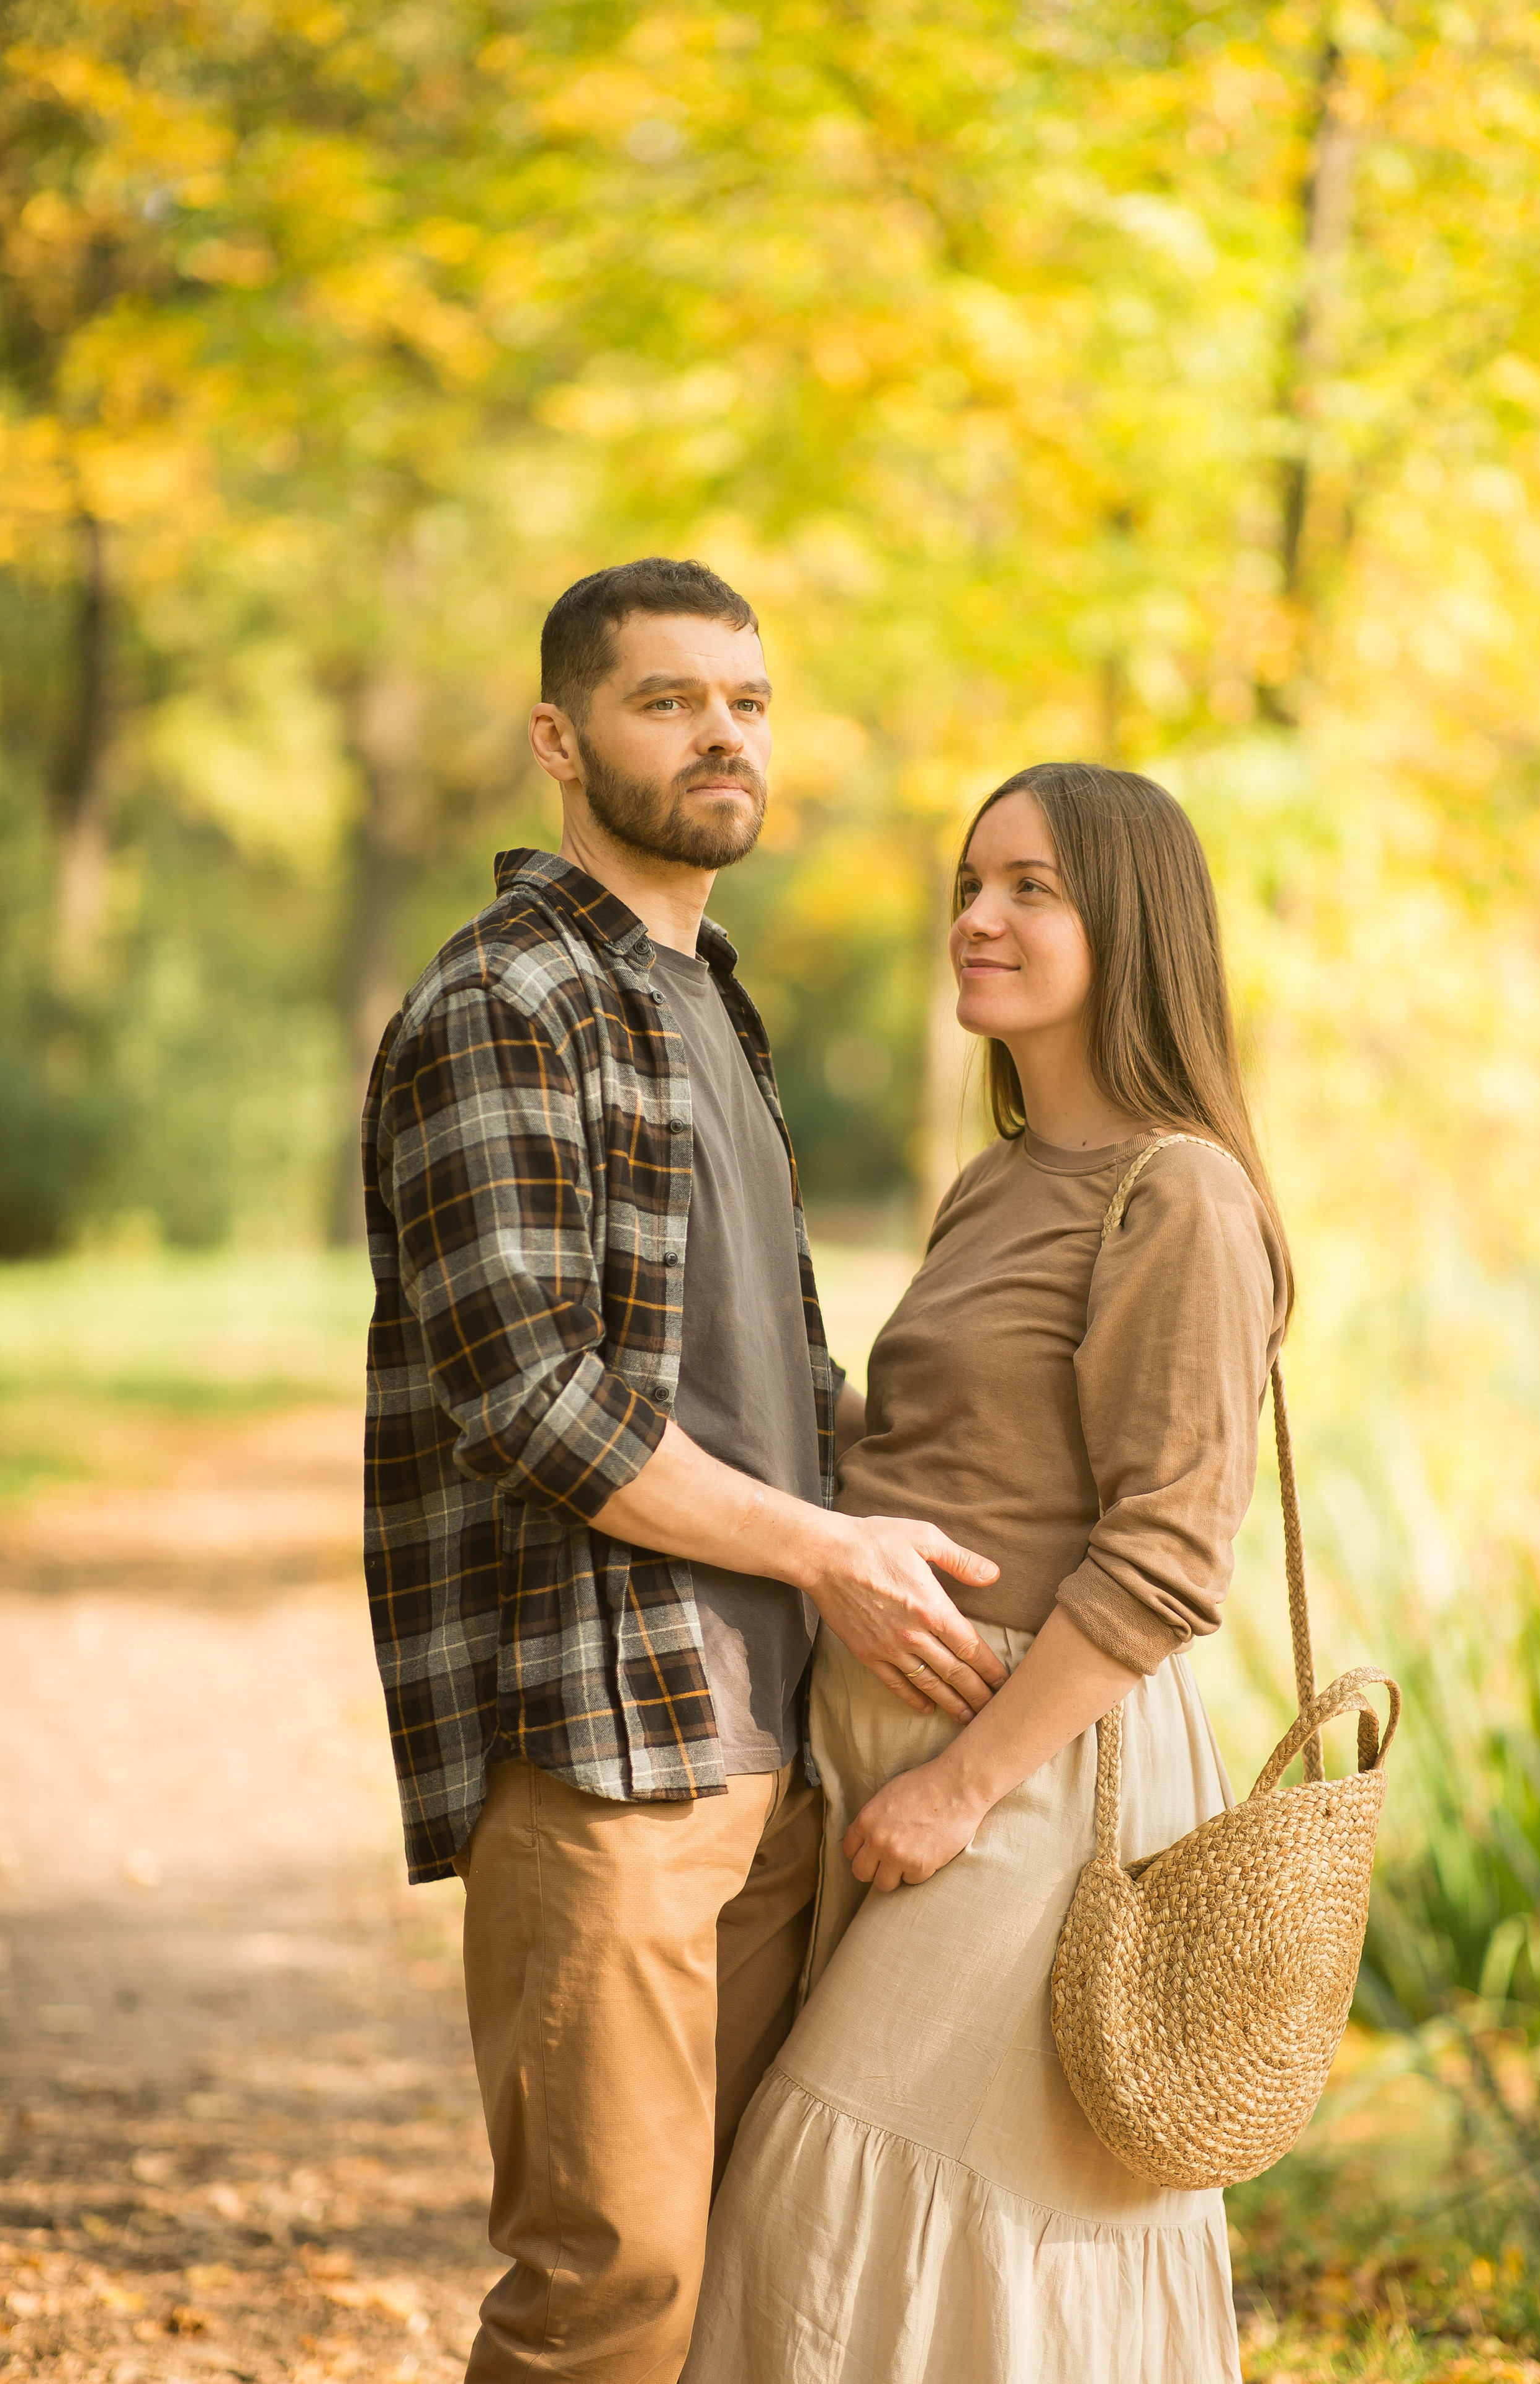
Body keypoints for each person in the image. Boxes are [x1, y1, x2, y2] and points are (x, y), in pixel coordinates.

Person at [359, 556, 1007, 2384]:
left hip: (773, 1745)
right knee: (610, 2291)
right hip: (604, 1751)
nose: (723, 733)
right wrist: (829, 1552)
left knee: (746, 2280)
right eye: (669, 701)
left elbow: (783, 1383)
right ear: (560, 742)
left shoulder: (713, 1001)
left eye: (749, 699)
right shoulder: (506, 1005)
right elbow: (531, 1399)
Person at [682, 762, 1292, 2384]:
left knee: (832, 2188)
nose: (978, 917)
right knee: (883, 2228)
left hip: (1041, 1775)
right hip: (904, 1748)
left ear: (1133, 925)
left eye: (1032, 888)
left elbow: (1170, 1558)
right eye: (969, 882)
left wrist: (961, 1787)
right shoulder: (1002, 1182)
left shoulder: (1182, 1191)